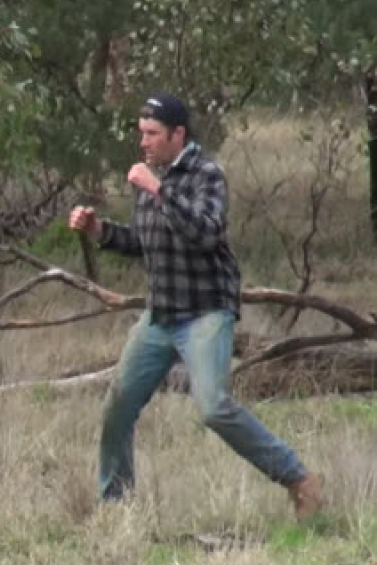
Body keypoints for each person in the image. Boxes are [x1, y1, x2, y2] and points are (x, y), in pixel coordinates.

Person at [68, 92, 323, 520]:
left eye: (152, 134)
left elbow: (205, 233)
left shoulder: (206, 174)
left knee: (213, 407)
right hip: (161, 314)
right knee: (118, 405)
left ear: (178, 134)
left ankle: (299, 480)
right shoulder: (151, 175)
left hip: (205, 311)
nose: (143, 143)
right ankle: (115, 506)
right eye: (141, 134)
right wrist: (100, 231)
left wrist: (161, 191)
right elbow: (145, 241)